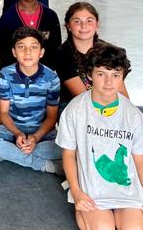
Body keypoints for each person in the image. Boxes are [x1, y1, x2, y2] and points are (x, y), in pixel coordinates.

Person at [56, 43, 142, 230]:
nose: (109, 82)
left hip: (127, 193)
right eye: (101, 74)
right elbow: (69, 155)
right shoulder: (75, 110)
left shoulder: (134, 115)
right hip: (91, 193)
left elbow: (139, 158)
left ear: (123, 78)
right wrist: (77, 194)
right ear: (89, 75)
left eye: (116, 75)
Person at [0, 27, 62, 174]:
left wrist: (35, 138)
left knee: (66, 147)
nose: (27, 52)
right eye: (21, 47)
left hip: (41, 132)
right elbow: (3, 113)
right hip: (13, 128)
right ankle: (43, 165)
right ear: (14, 52)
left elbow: (52, 117)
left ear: (41, 52)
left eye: (33, 47)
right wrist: (17, 134)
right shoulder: (6, 74)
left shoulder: (52, 78)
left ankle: (4, 153)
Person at [56, 2, 129, 109]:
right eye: (77, 21)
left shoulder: (109, 50)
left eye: (89, 20)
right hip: (75, 107)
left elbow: (122, 92)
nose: (84, 25)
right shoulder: (61, 54)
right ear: (68, 26)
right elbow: (82, 96)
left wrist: (124, 112)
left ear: (97, 24)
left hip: (109, 102)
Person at [0, 0, 61, 69]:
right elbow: (5, 54)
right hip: (16, 76)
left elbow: (55, 51)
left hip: (45, 77)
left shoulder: (50, 16)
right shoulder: (7, 18)